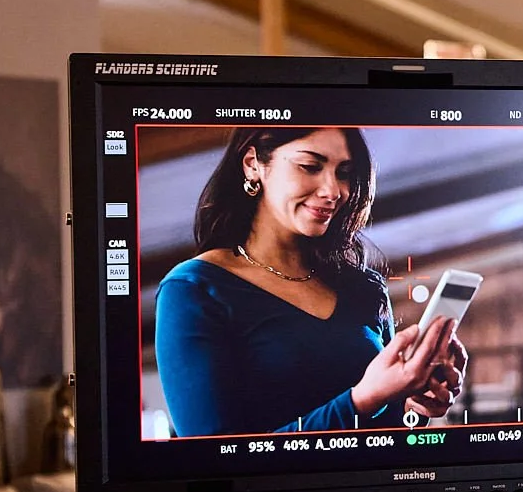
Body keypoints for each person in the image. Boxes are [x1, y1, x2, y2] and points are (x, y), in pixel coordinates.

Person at [155, 127, 465, 437]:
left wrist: (412, 404)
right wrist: (363, 400)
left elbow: (385, 433)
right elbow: (214, 458)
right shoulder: (194, 289)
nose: (333, 191)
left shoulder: (363, 287)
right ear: (253, 164)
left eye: (344, 173)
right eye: (310, 166)